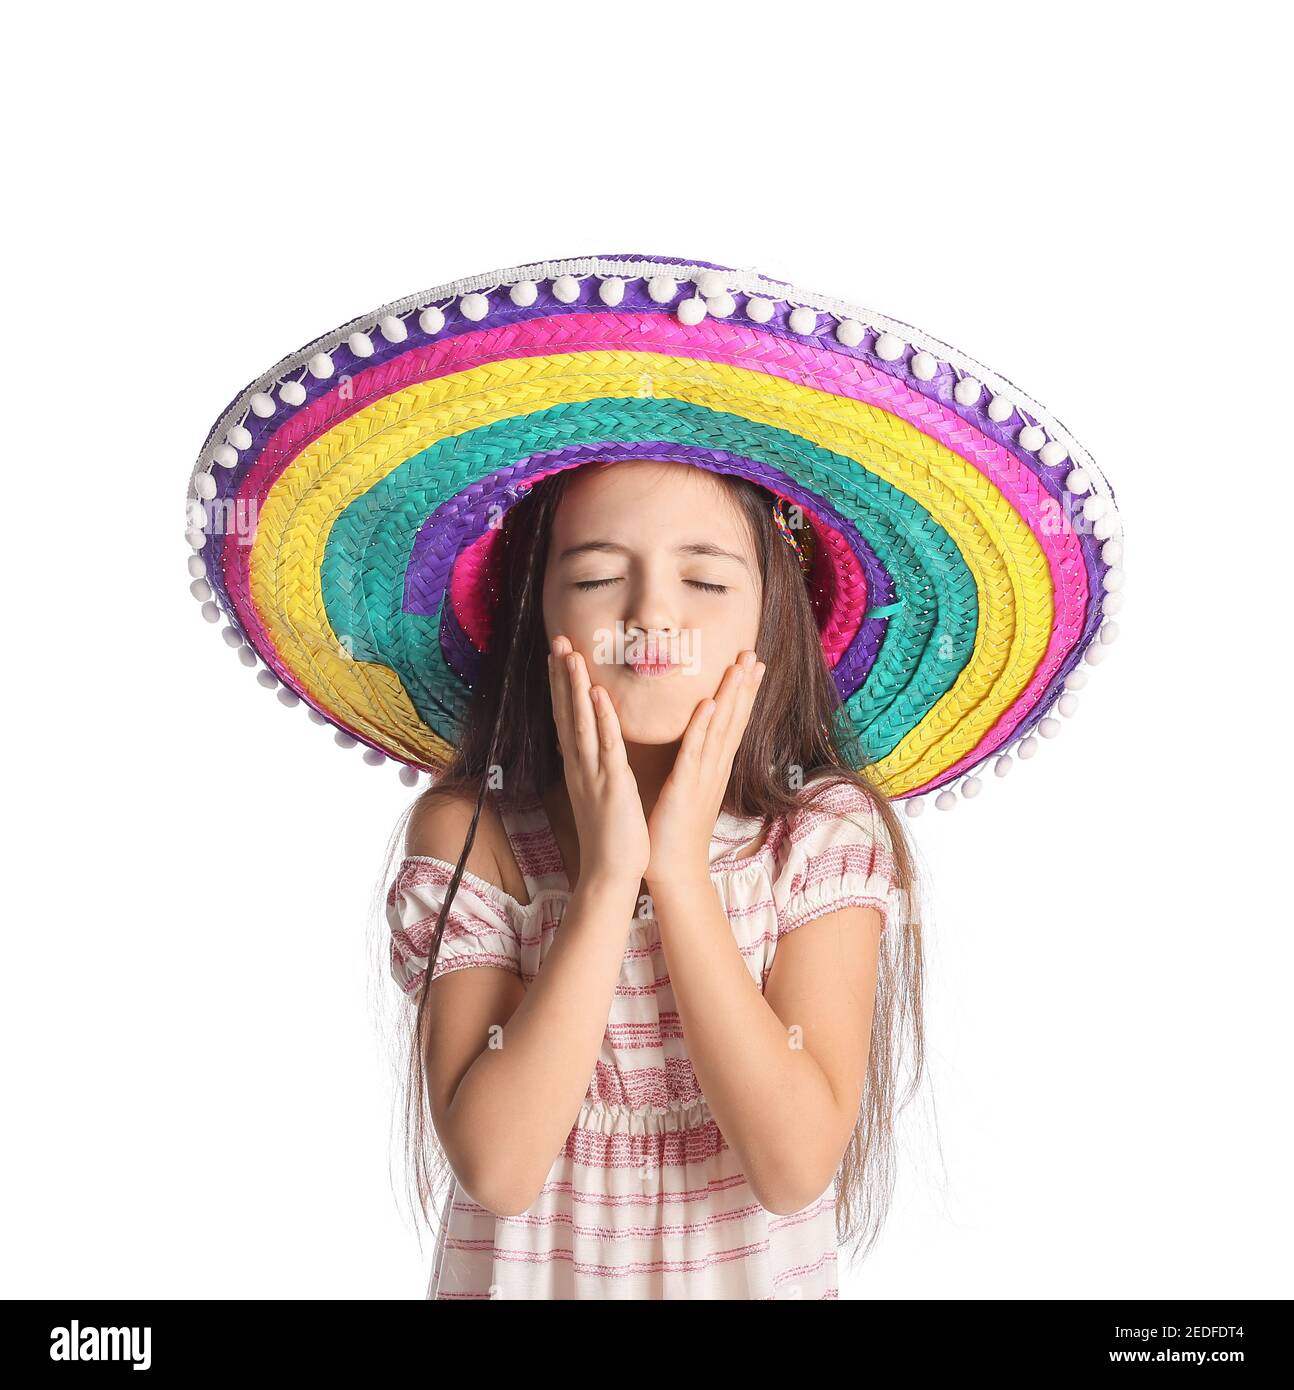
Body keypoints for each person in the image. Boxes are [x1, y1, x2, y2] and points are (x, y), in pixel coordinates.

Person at [384, 457, 923, 1299]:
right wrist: (606, 882)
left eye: (704, 582)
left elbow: (792, 1167)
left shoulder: (820, 837)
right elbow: (499, 1165)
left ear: (774, 613)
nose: (649, 616)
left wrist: (678, 876)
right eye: (598, 576)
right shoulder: (472, 831)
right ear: (533, 613)